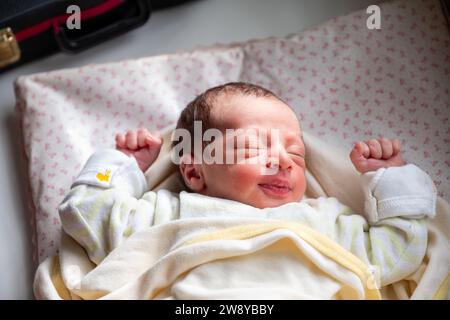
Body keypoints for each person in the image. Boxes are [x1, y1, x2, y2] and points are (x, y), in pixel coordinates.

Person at [59, 82, 436, 287]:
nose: (284, 160)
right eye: (254, 147)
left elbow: (397, 252)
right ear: (194, 173)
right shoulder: (169, 212)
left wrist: (391, 178)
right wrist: (124, 165)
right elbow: (88, 212)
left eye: (297, 154)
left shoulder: (323, 220)